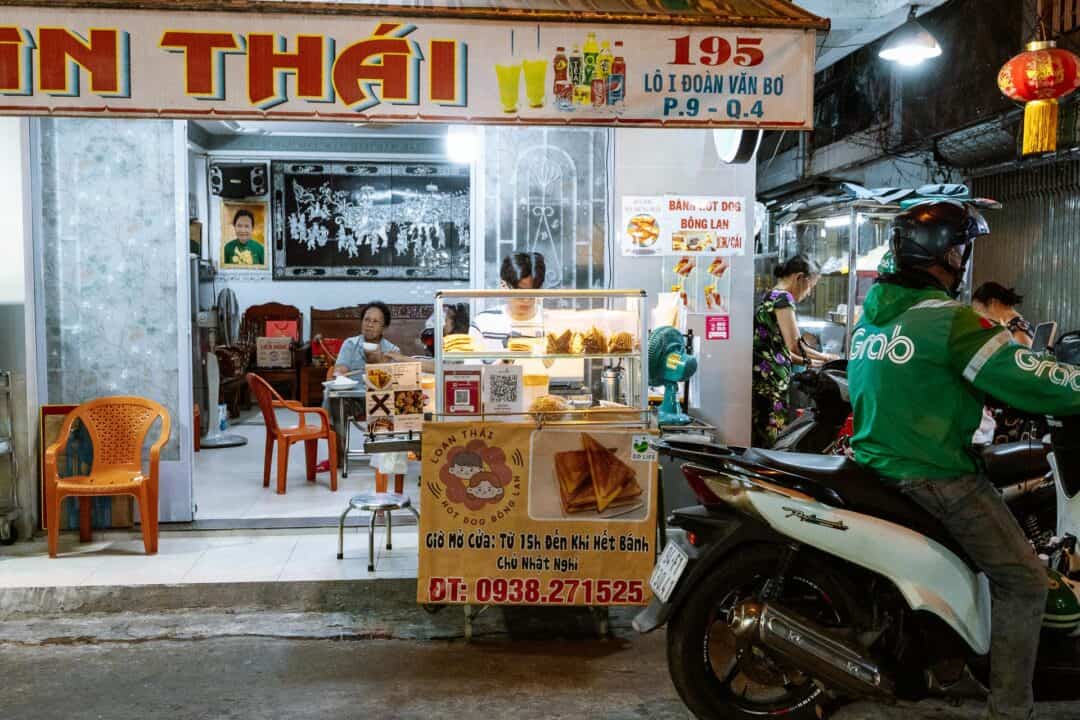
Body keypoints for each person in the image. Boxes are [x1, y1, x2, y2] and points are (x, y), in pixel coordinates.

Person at [848, 200, 1080, 720]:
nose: (963, 258)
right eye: (961, 248)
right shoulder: (949, 321)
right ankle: (1010, 709)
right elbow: (1031, 378)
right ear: (946, 255)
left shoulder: (879, 313)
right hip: (932, 473)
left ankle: (950, 660)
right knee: (1022, 580)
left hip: (878, 461)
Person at [751, 254, 836, 447]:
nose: (809, 293)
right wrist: (826, 357)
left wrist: (814, 362)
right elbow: (795, 345)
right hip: (771, 381)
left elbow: (780, 348)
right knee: (773, 436)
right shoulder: (784, 299)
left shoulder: (769, 295)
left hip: (761, 378)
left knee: (761, 432)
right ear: (799, 278)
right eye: (810, 287)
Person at [473, 252, 546, 348]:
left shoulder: (550, 322)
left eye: (533, 293)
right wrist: (507, 357)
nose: (527, 299)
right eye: (520, 293)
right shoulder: (483, 322)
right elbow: (472, 363)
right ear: (503, 285)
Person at [972, 282, 1034, 347]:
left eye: (979, 310)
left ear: (992, 302)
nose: (980, 316)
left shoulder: (1016, 331)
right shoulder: (1019, 324)